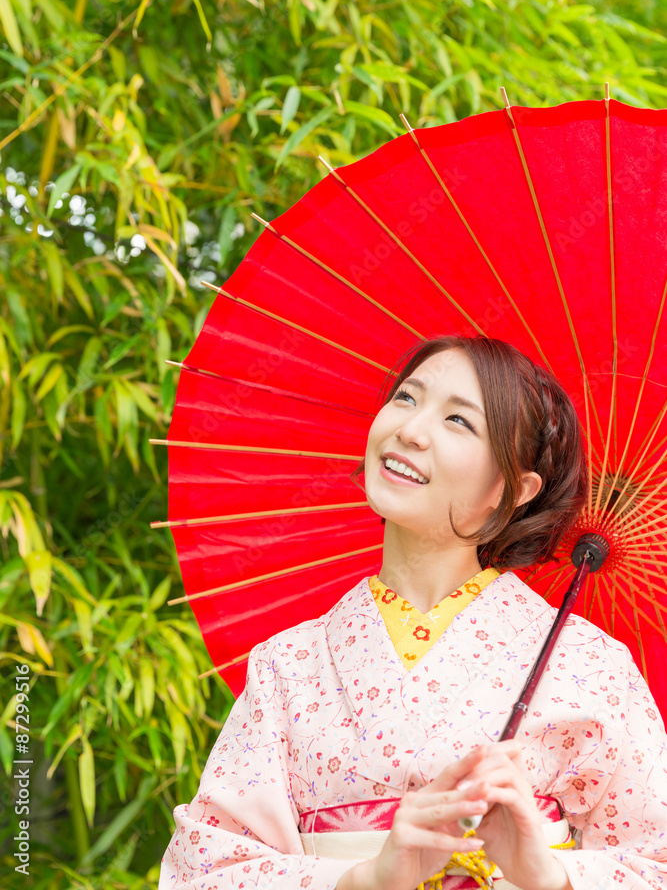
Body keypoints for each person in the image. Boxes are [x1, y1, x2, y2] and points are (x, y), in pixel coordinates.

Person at [158, 336, 667, 890]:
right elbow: (204, 870)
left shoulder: (590, 665)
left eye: (458, 420)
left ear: (514, 488)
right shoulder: (289, 664)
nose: (410, 429)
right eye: (406, 397)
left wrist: (551, 875)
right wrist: (364, 880)